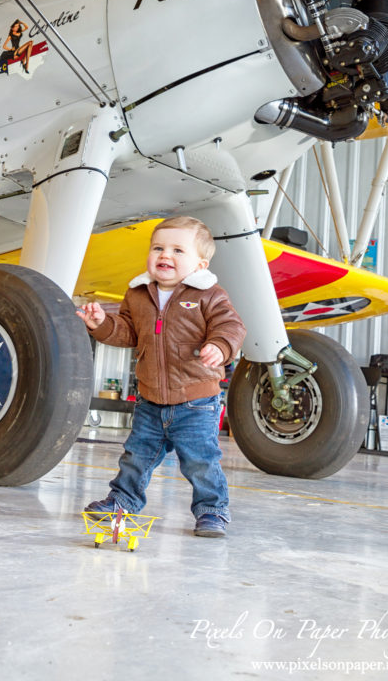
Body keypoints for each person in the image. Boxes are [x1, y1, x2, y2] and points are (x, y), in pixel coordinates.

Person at [76, 216, 245, 538]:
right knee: (136, 456)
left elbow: (231, 326)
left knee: (200, 461)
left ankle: (212, 510)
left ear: (199, 264)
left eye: (178, 250)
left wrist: (220, 347)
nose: (165, 255)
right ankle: (122, 501)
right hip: (150, 399)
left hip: (196, 400)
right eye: (158, 248)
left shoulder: (209, 294)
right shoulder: (138, 293)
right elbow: (127, 331)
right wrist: (102, 324)